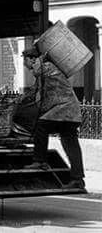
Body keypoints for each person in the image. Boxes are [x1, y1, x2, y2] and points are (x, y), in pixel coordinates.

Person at [22, 47, 85, 189]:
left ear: (32, 59)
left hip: (64, 110)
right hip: (70, 112)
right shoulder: (46, 71)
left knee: (41, 125)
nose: (26, 66)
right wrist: (22, 99)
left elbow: (42, 96)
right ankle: (78, 179)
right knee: (71, 144)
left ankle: (40, 161)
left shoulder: (46, 68)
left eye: (25, 61)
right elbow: (34, 91)